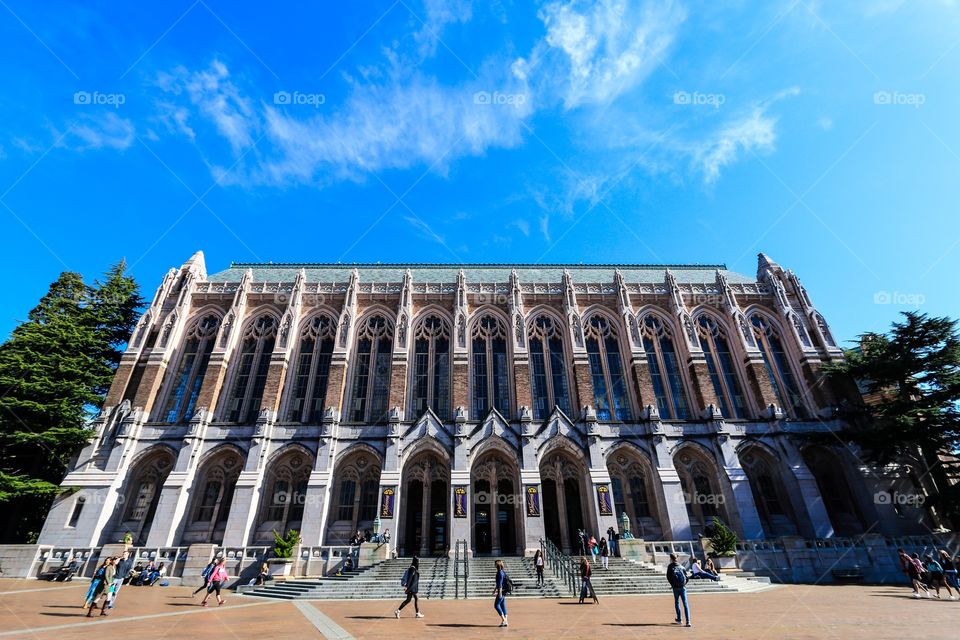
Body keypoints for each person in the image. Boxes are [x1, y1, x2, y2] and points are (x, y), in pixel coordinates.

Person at [667, 553, 691, 627]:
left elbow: (668, 577)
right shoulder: (681, 567)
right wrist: (683, 584)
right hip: (683, 587)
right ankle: (688, 621)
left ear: (671, 558)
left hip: (675, 588)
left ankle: (679, 619)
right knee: (685, 604)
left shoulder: (670, 566)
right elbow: (687, 578)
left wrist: (673, 585)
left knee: (677, 602)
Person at [494, 559, 509, 627]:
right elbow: (499, 583)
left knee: (496, 605)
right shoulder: (502, 572)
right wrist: (495, 590)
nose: (494, 565)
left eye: (495, 564)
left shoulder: (499, 573)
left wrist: (499, 593)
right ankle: (506, 620)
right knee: (503, 605)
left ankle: (504, 620)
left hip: (502, 591)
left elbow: (499, 584)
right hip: (504, 590)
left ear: (497, 565)